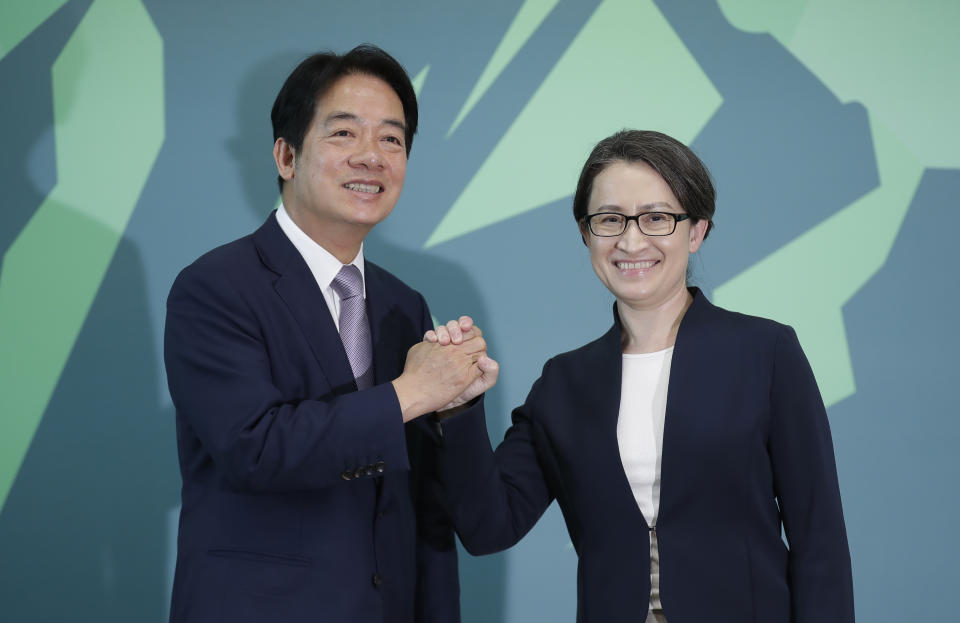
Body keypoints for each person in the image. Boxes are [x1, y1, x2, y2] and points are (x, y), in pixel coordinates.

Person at [430, 130, 854, 622]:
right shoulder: (564, 383)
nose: (631, 240)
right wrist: (458, 407)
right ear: (586, 234)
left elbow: (819, 539)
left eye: (656, 218)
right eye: (610, 220)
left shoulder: (766, 353)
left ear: (696, 231)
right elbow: (489, 528)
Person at [163, 45, 489, 623]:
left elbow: (418, 503)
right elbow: (255, 448)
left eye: (392, 139)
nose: (372, 157)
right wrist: (412, 393)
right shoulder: (213, 287)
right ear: (286, 156)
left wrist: (454, 405)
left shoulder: (402, 304)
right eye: (344, 134)